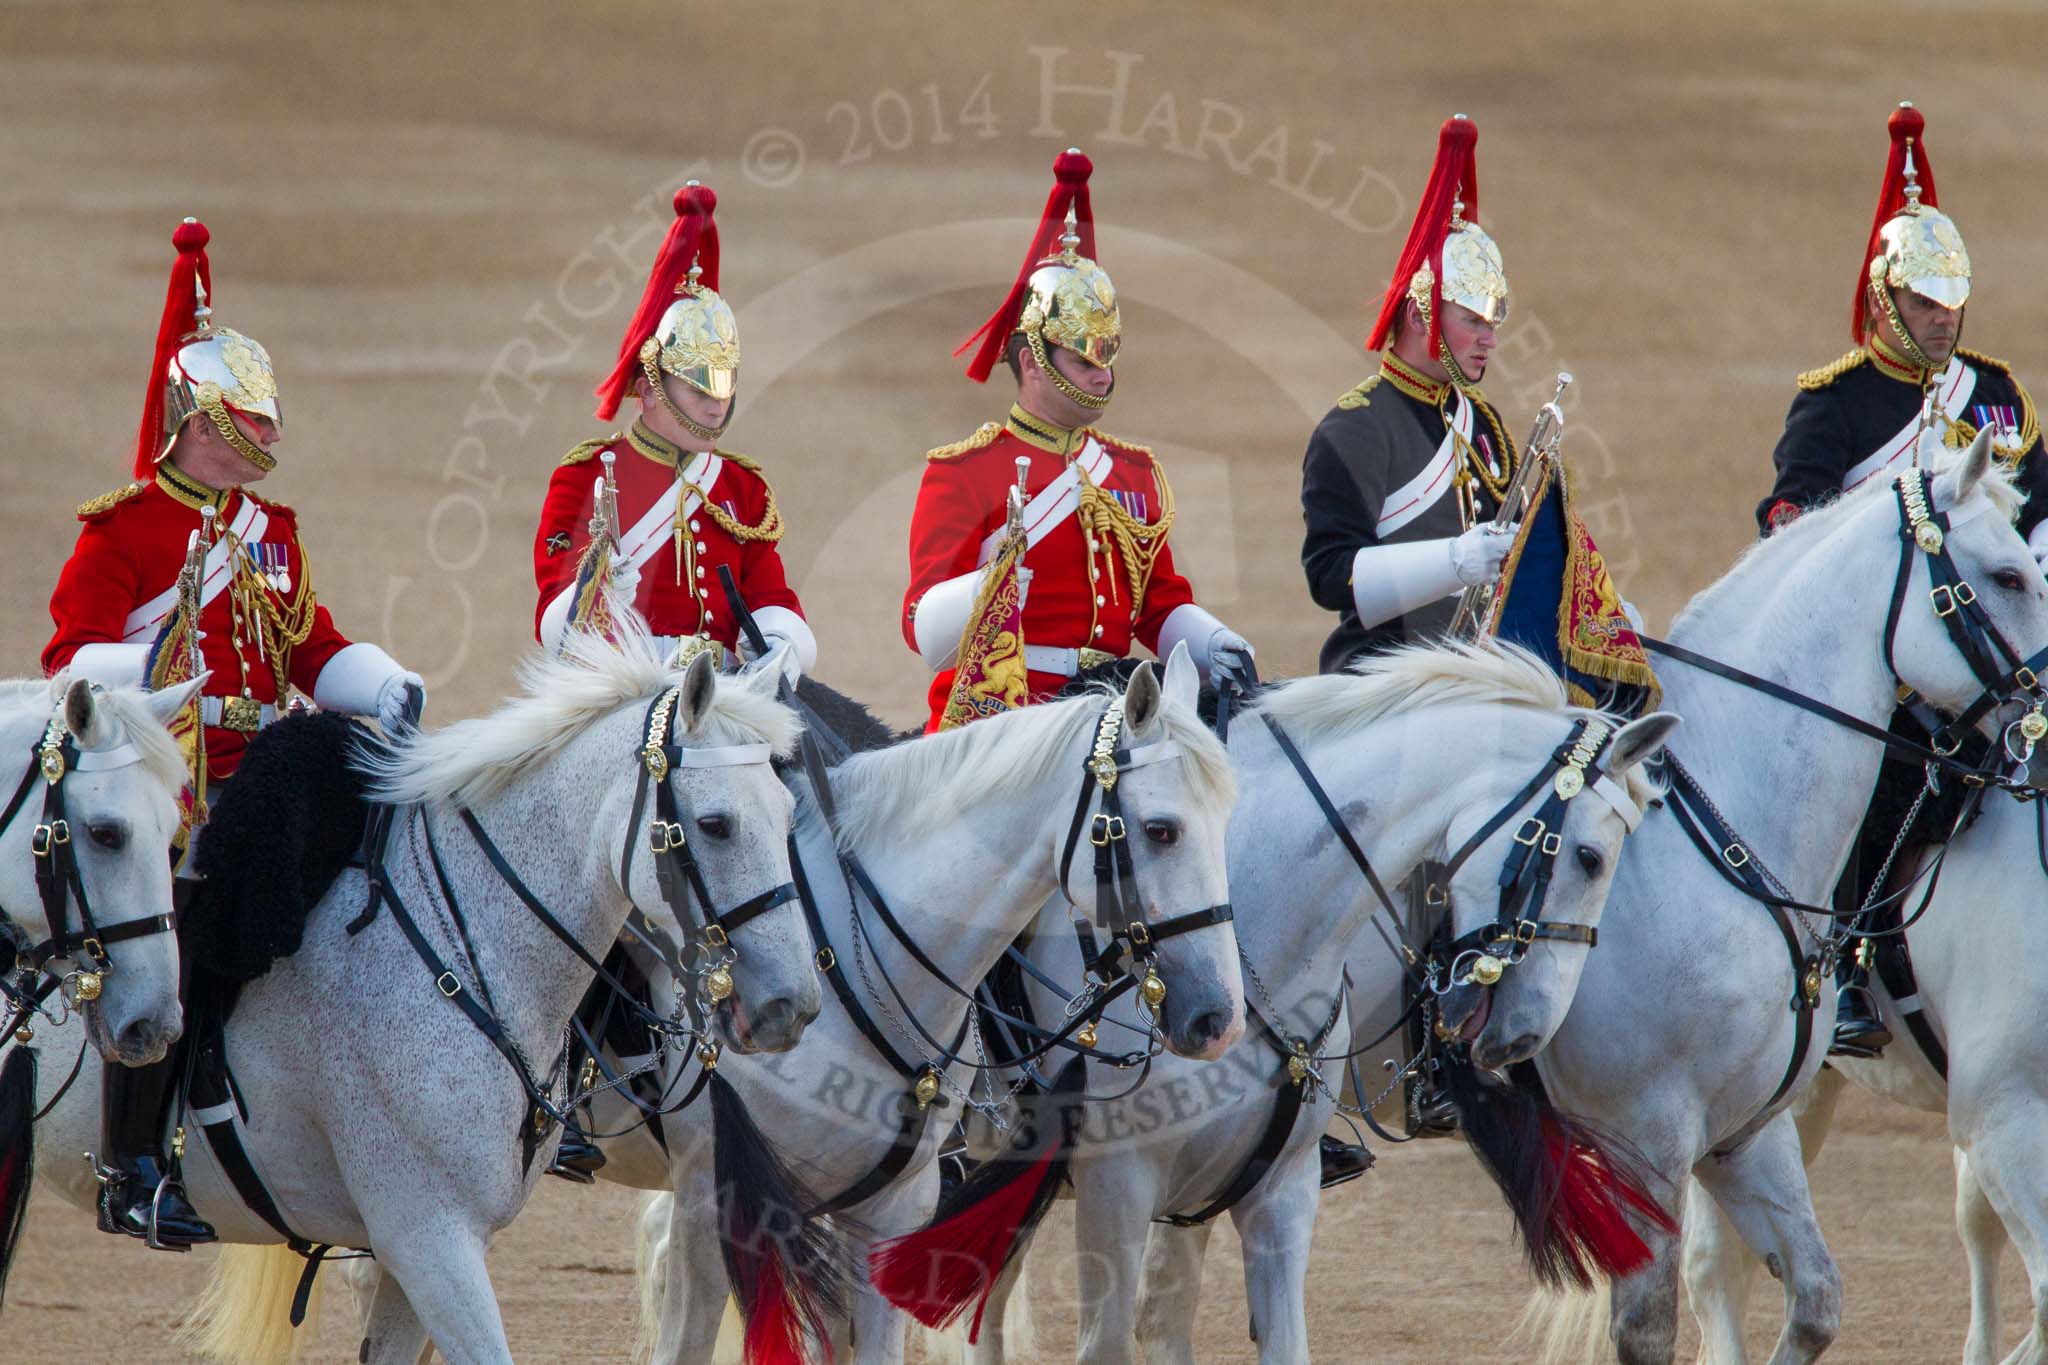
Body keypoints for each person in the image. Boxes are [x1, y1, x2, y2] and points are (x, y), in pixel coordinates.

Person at [44, 217, 424, 1246]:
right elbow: (70, 656)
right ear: (197, 422)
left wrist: (380, 686)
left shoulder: (275, 533)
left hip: (266, 768)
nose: (264, 435)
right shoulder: (123, 530)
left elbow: (311, 647)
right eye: (245, 418)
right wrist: (158, 676)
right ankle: (135, 1168)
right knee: (174, 940)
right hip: (165, 773)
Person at [1297, 117, 1655, 1149]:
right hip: (1391, 680)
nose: (1491, 336)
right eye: (1472, 315)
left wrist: (1602, 610)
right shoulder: (1353, 429)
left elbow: (1531, 550)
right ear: (1420, 308)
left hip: (1481, 679)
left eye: (1495, 317)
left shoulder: (1487, 424)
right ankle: (1415, 1052)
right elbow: (1334, 581)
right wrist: (1457, 563)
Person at [1757, 103, 2046, 1058]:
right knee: (1883, 773)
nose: (1943, 319)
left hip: (1996, 634)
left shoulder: (1996, 393)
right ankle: (1847, 956)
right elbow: (1788, 523)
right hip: (1886, 660)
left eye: (1953, 302)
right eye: (1925, 304)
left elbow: (2039, 513)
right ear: (1886, 301)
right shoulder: (1836, 401)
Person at [902, 148, 1252, 733]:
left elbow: (1157, 605)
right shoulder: (965, 471)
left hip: (1111, 710)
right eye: (1082, 357)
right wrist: (990, 586)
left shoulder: (1132, 473)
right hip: (1003, 716)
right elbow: (923, 628)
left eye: (1107, 354)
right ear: (1031, 361)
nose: (1101, 373)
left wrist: (1214, 641)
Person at [533, 181, 813, 678]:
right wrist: (596, 592)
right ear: (647, 387)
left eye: (723, 388)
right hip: (617, 689)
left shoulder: (741, 488)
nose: (715, 407)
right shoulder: (585, 477)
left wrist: (778, 647)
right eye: (698, 390)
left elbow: (772, 598)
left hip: (721, 691)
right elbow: (555, 623)